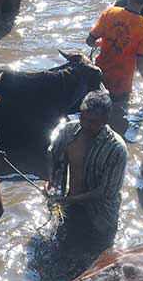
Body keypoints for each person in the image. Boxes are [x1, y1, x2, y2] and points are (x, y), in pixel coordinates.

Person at [45, 90, 128, 240]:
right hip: (70, 205)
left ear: (105, 120)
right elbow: (52, 152)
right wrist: (50, 180)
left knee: (99, 257)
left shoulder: (116, 149)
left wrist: (68, 200)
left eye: (92, 121)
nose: (85, 124)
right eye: (83, 118)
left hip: (100, 218)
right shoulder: (69, 130)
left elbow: (104, 192)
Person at [86, 0, 143, 122]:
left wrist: (101, 44)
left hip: (98, 79)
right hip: (121, 87)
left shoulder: (110, 12)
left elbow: (90, 40)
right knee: (115, 122)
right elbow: (142, 65)